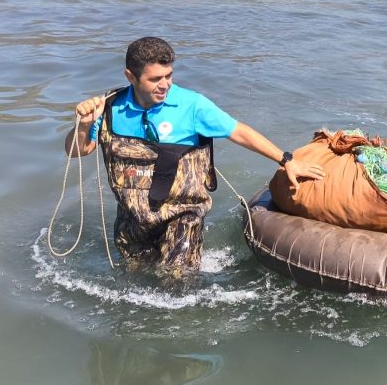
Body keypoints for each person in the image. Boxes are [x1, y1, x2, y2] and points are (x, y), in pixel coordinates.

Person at [64, 36, 324, 270]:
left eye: (169, 75)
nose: (164, 85)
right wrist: (85, 124)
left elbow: (240, 132)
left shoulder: (192, 105)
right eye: (155, 79)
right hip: (133, 219)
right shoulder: (110, 107)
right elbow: (77, 151)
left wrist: (287, 160)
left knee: (175, 284)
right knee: (132, 278)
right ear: (130, 77)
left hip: (182, 217)